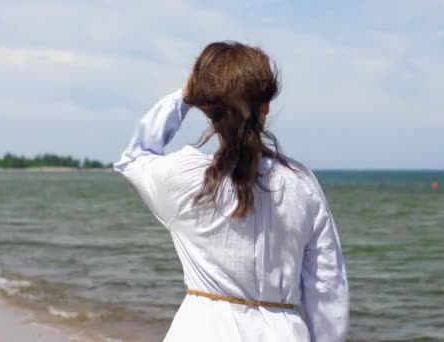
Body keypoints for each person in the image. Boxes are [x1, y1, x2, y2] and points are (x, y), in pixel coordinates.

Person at [114, 41, 348, 342]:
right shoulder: (301, 183)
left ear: (207, 108)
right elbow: (327, 285)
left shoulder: (184, 178)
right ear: (265, 106)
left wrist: (184, 97)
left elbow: (133, 157)